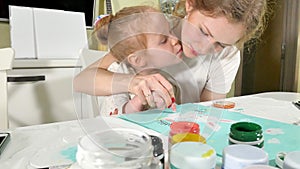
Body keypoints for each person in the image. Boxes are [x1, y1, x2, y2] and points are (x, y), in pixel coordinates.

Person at [74, 0, 272, 108]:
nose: (204, 48)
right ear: (190, 4)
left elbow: (207, 114)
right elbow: (82, 80)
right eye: (203, 32)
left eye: (220, 43)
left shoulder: (227, 57)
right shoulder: (151, 32)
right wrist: (133, 82)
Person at [76, 6, 183, 115]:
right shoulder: (117, 72)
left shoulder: (164, 71)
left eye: (171, 31)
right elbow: (118, 114)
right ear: (137, 60)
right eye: (164, 40)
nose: (175, 40)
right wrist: (139, 100)